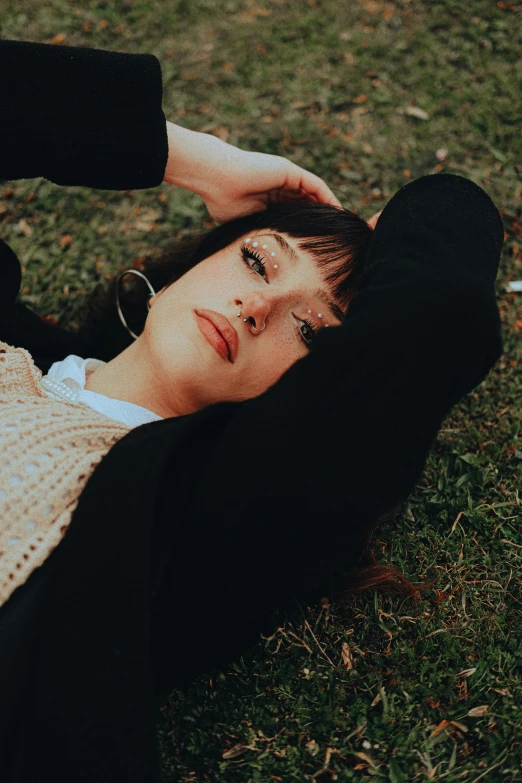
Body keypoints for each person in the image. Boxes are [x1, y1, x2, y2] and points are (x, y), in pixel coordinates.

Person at [0, 39, 503, 782]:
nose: (259, 304)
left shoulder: (192, 508)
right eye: (259, 259)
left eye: (310, 331)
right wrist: (195, 158)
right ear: (198, 260)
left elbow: (435, 314)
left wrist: (422, 208)